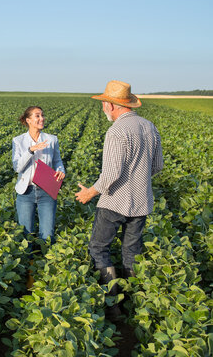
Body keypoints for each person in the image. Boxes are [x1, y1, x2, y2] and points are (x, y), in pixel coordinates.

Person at [75, 80, 163, 316]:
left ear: (111, 105)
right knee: (131, 252)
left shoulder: (117, 131)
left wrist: (89, 192)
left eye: (104, 103)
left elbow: (111, 174)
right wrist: (138, 178)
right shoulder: (149, 126)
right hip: (142, 202)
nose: (103, 108)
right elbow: (157, 166)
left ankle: (113, 305)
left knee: (99, 248)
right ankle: (134, 303)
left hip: (115, 202)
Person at [12, 106, 65, 288]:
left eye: (42, 115)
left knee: (47, 234)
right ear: (28, 120)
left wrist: (60, 171)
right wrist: (31, 150)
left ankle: (44, 277)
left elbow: (57, 161)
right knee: (26, 235)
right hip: (26, 192)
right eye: (37, 116)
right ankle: (28, 278)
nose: (41, 118)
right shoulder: (18, 141)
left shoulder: (52, 139)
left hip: (46, 190)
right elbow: (17, 167)